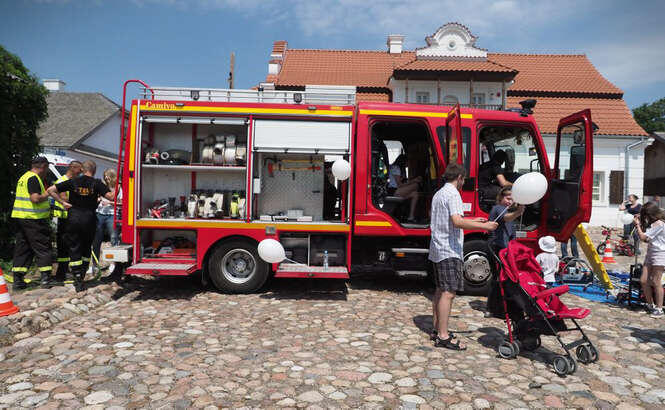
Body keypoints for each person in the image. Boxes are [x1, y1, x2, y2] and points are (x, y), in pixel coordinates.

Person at [429, 163, 498, 350]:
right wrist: (485, 226)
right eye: (464, 179)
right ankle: (443, 336)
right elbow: (457, 222)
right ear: (459, 177)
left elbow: (448, 220)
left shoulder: (439, 193)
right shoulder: (453, 194)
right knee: (448, 293)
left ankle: (437, 329)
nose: (464, 182)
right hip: (449, 249)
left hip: (438, 247)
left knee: (440, 290)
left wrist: (474, 220)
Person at [47, 160, 115, 292]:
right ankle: (82, 274)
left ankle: (77, 278)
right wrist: (117, 185)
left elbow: (51, 190)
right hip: (89, 219)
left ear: (83, 169)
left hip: (73, 218)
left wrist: (62, 203)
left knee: (74, 247)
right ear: (95, 170)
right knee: (86, 247)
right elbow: (111, 197)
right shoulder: (96, 183)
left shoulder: (73, 181)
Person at [10, 157, 54, 289]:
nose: (47, 171)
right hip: (33, 218)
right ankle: (46, 279)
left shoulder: (24, 177)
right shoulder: (33, 178)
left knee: (23, 248)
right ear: (43, 166)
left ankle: (18, 280)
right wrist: (48, 193)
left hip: (21, 217)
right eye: (47, 168)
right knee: (42, 246)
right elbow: (35, 198)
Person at [486, 187, 524, 316]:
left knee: (503, 278)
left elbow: (511, 234)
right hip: (496, 247)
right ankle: (491, 308)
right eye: (508, 198)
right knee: (498, 278)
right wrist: (518, 212)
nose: (510, 201)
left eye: (512, 199)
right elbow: (506, 218)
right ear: (501, 197)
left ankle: (501, 307)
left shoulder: (508, 211)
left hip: (504, 249)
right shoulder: (498, 208)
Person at [52, 160, 82, 284]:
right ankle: (61, 273)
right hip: (64, 219)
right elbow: (64, 197)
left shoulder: (72, 181)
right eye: (79, 170)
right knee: (64, 246)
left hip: (70, 218)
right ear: (73, 168)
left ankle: (66, 272)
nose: (81, 172)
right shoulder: (63, 181)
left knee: (70, 245)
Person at [633, 202, 665, 318]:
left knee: (656, 281)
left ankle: (659, 309)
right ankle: (650, 305)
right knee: (643, 280)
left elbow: (643, 237)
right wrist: (640, 222)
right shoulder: (653, 223)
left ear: (650, 214)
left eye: (645, 214)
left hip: (660, 254)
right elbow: (647, 237)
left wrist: (637, 225)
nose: (644, 217)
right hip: (651, 253)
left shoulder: (659, 224)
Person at [91, 168, 121, 275]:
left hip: (112, 215)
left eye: (107, 176)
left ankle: (115, 264)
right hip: (100, 213)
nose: (106, 179)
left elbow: (122, 202)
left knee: (114, 239)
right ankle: (94, 265)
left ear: (112, 176)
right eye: (105, 177)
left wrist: (110, 203)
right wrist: (98, 200)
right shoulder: (102, 186)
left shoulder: (119, 187)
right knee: (96, 240)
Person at [388, 154, 422, 223]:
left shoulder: (399, 169)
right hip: (394, 190)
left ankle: (411, 217)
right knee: (415, 185)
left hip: (398, 190)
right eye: (408, 162)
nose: (408, 164)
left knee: (415, 194)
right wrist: (414, 181)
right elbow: (400, 185)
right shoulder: (396, 168)